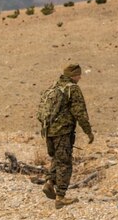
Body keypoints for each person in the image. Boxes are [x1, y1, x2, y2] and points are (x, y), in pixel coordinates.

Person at [39, 63, 95, 209]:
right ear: (73, 76)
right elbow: (80, 112)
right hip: (63, 131)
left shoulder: (54, 87)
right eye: (78, 75)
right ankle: (61, 197)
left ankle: (50, 183)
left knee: (57, 158)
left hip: (49, 131)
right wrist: (88, 131)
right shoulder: (72, 89)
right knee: (65, 162)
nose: (80, 77)